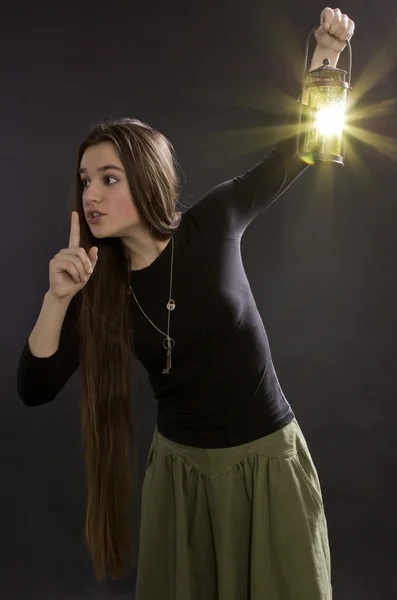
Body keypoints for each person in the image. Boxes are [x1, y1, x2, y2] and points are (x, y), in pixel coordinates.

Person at [17, 7, 354, 600]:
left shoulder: (214, 221)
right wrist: (57, 299)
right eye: (85, 180)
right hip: (182, 478)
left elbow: (301, 148)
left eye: (109, 178)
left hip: (266, 464)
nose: (91, 194)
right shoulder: (98, 286)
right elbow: (35, 386)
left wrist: (325, 60)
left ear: (145, 178)